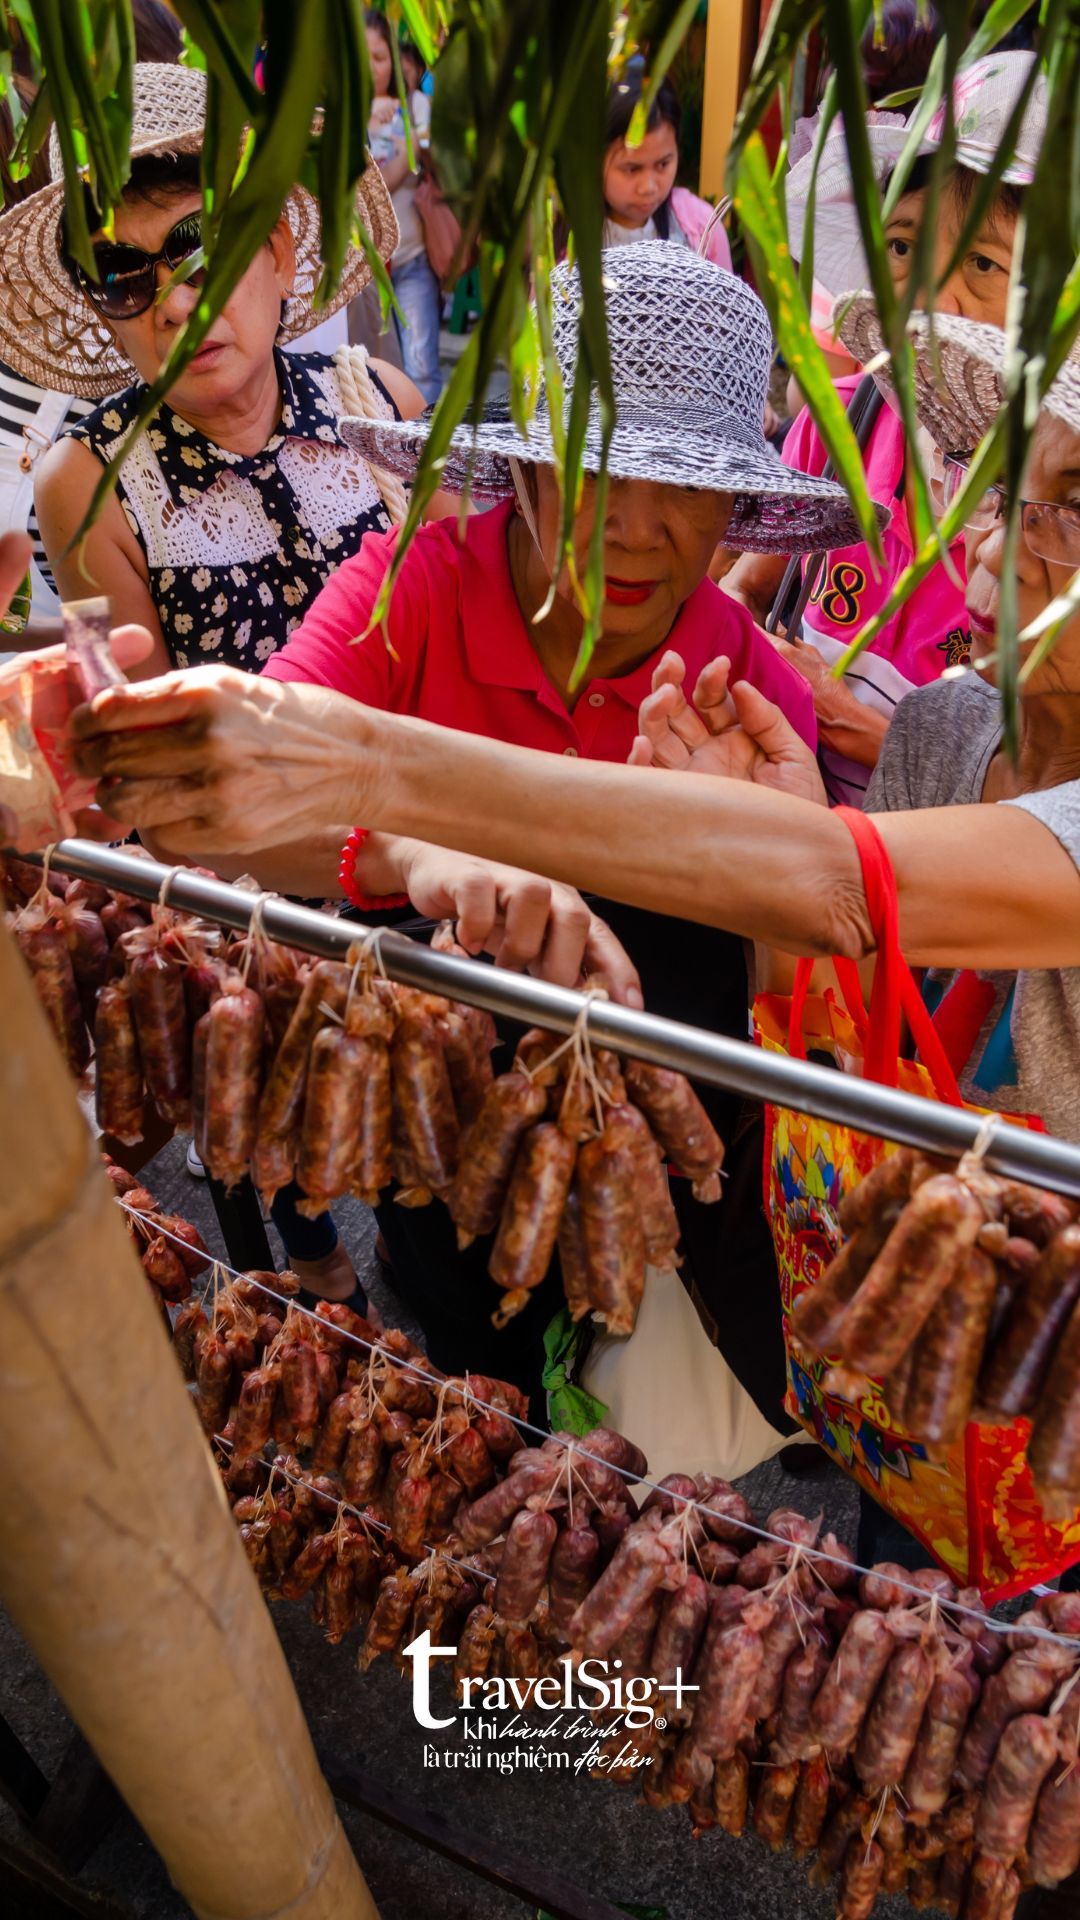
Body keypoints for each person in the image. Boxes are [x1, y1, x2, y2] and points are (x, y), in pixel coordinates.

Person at [74, 241, 872, 1425]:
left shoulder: (750, 691)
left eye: (685, 486)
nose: (640, 531)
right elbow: (231, 806)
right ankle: (441, 1624)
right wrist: (411, 850)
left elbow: (803, 993)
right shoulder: (409, 597)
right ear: (528, 467)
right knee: (466, 1447)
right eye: (598, 474)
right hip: (439, 1143)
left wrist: (783, 876)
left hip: (670, 1180)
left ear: (734, 506)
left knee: (666, 1514)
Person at [722, 50, 1046, 807]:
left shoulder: (1057, 511)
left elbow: (1045, 785)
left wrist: (861, 726)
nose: (933, 298)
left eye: (984, 264)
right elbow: (748, 580)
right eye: (905, 248)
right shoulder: (843, 424)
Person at [364, 8, 443, 406]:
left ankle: (428, 460)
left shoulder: (415, 107)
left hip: (411, 255)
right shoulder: (336, 116)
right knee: (373, 366)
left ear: (394, 61)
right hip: (362, 264)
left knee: (420, 362)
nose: (370, 68)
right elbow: (385, 177)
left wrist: (407, 143)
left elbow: (415, 164)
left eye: (378, 58)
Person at [599, 67, 732, 268]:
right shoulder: (558, 242)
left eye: (663, 164)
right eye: (631, 169)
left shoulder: (703, 228)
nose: (648, 187)